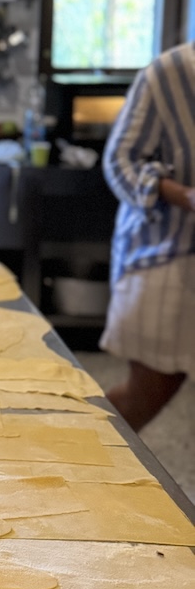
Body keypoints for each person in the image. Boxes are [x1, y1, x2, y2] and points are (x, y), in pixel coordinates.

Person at [100, 42, 194, 431]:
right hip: (166, 251)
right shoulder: (170, 71)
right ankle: (71, 456)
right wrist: (182, 195)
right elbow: (118, 161)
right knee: (150, 390)